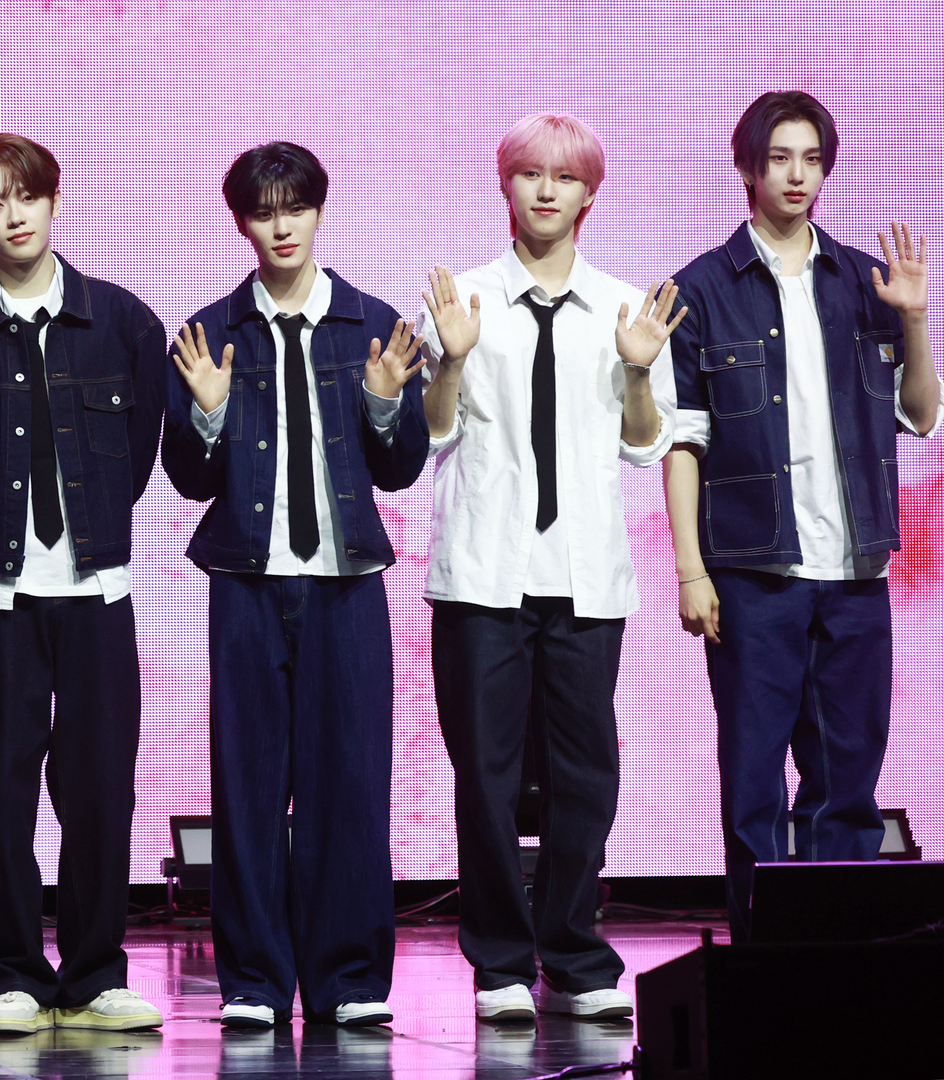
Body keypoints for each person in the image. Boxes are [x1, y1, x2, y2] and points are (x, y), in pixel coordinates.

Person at [417, 113, 682, 1022]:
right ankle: (498, 961)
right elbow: (432, 434)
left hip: (584, 573)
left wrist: (638, 373)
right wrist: (448, 360)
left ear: (588, 195)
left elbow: (646, 448)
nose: (544, 191)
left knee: (583, 774)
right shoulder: (463, 300)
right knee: (483, 774)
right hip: (483, 571)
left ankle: (572, 953)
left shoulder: (624, 305)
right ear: (505, 186)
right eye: (527, 173)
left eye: (562, 178)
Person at [164, 141, 429, 1030]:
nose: (280, 226)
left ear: (319, 211)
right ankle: (253, 981)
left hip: (346, 582)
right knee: (245, 782)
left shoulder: (370, 323)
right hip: (244, 579)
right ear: (240, 220)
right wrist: (203, 411)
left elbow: (397, 472)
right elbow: (187, 479)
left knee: (349, 781)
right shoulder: (210, 332)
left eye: (295, 207)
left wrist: (388, 402)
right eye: (261, 211)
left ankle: (349, 978)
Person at [0, 134, 168, 1036]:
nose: (12, 215)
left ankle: (96, 973)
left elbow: (137, 459)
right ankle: (17, 973)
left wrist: (91, 535)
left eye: (26, 197)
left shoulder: (124, 322)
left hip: (95, 591)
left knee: (100, 786)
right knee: (2, 789)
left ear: (54, 201)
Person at [663, 90, 936, 941]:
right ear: (746, 167)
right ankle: (762, 960)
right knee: (753, 782)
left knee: (847, 779)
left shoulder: (864, 281)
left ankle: (841, 958)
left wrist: (916, 319)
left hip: (854, 570)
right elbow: (681, 441)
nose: (795, 174)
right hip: (752, 575)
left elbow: (921, 414)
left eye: (811, 158)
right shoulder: (702, 289)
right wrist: (690, 570)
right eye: (779, 157)